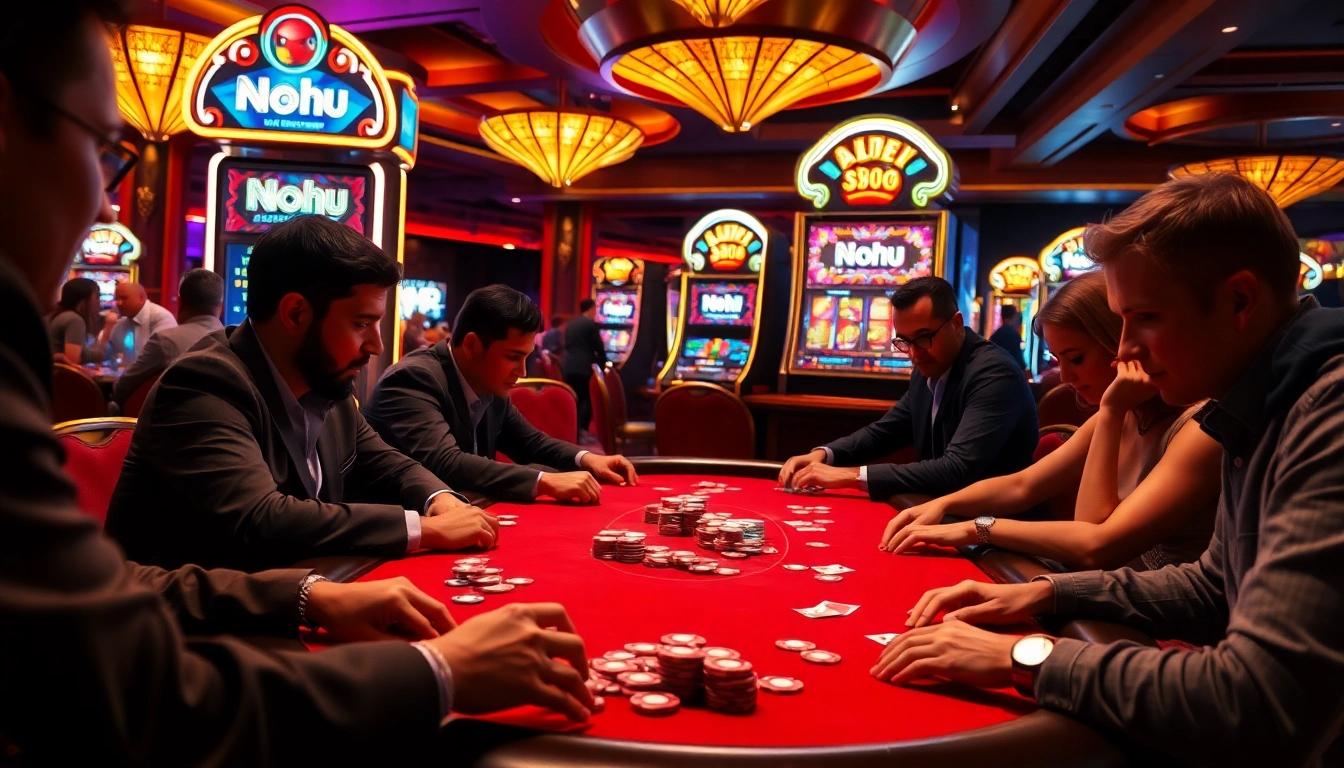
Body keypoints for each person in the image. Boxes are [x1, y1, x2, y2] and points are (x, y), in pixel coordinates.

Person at [0, 2, 593, 763]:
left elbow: (378, 461)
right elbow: (140, 677)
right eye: (105, 147)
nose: (110, 202)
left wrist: (352, 567)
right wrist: (436, 671)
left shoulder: (331, 385)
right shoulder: (204, 384)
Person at [871, 174, 1344, 766]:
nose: (1123, 350)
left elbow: (1262, 702)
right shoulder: (1258, 402)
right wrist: (1042, 594)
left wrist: (1024, 657)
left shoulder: (1328, 413)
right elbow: (1211, 585)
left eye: (1144, 318)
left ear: (1240, 301)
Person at [105, 216, 500, 573]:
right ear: (296, 313)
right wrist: (423, 529)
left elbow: (389, 465)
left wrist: (439, 499)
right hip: (190, 632)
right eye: (362, 323)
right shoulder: (204, 382)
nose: (377, 346)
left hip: (294, 593)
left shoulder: (328, 384)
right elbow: (261, 518)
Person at [877, 272, 1221, 571]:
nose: (1066, 376)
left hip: (1157, 627)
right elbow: (1022, 486)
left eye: (1076, 358)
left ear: (1122, 344)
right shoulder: (1125, 412)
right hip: (1104, 593)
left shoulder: (1199, 427)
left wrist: (976, 527)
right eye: (1058, 359)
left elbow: (1092, 540)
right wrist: (943, 505)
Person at [365, 284, 638, 504]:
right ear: (472, 345)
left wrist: (588, 458)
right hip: (393, 542)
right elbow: (445, 462)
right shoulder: (413, 379)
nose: (521, 370)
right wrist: (543, 480)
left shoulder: (487, 382)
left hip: (462, 519)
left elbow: (531, 443)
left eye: (526, 358)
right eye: (513, 357)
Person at [778, 277, 1038, 502]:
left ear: (957, 324)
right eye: (904, 341)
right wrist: (825, 455)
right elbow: (885, 432)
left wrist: (852, 475)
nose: (914, 353)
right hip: (947, 517)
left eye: (924, 337)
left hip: (996, 532)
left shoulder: (993, 373)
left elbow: (956, 470)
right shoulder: (928, 367)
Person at [111, 267, 224, 407]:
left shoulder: (166, 341)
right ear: (221, 306)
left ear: (180, 303)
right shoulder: (237, 343)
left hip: (173, 426)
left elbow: (123, 386)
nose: (120, 303)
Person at [96, 279, 176, 364]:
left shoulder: (161, 317)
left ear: (141, 298)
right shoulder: (123, 322)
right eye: (117, 299)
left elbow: (155, 359)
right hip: (135, 376)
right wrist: (108, 329)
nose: (119, 303)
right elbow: (104, 354)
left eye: (124, 298)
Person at [562, 297, 607, 432]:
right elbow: (598, 347)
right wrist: (603, 365)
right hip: (585, 367)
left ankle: (574, 432)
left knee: (574, 400)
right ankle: (582, 429)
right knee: (587, 399)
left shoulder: (570, 323)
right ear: (592, 309)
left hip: (568, 366)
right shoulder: (590, 324)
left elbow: (568, 345)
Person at [48, 275, 101, 363]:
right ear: (83, 300)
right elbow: (73, 360)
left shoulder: (60, 314)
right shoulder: (74, 320)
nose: (99, 301)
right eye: (97, 296)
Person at [988, 303, 1027, 370]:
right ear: (1012, 317)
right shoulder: (1013, 334)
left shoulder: (996, 335)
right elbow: (1017, 357)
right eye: (1016, 315)